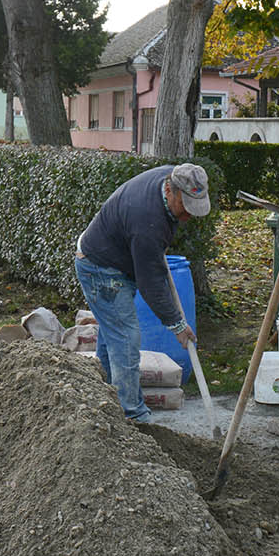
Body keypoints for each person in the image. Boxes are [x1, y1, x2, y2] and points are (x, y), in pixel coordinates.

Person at [74, 163, 211, 423]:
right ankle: (133, 415)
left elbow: (151, 263)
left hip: (114, 257)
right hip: (100, 269)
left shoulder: (176, 176)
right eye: (186, 207)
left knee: (112, 336)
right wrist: (178, 325)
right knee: (125, 339)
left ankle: (104, 399)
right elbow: (152, 283)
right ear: (170, 190)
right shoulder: (147, 221)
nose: (189, 216)